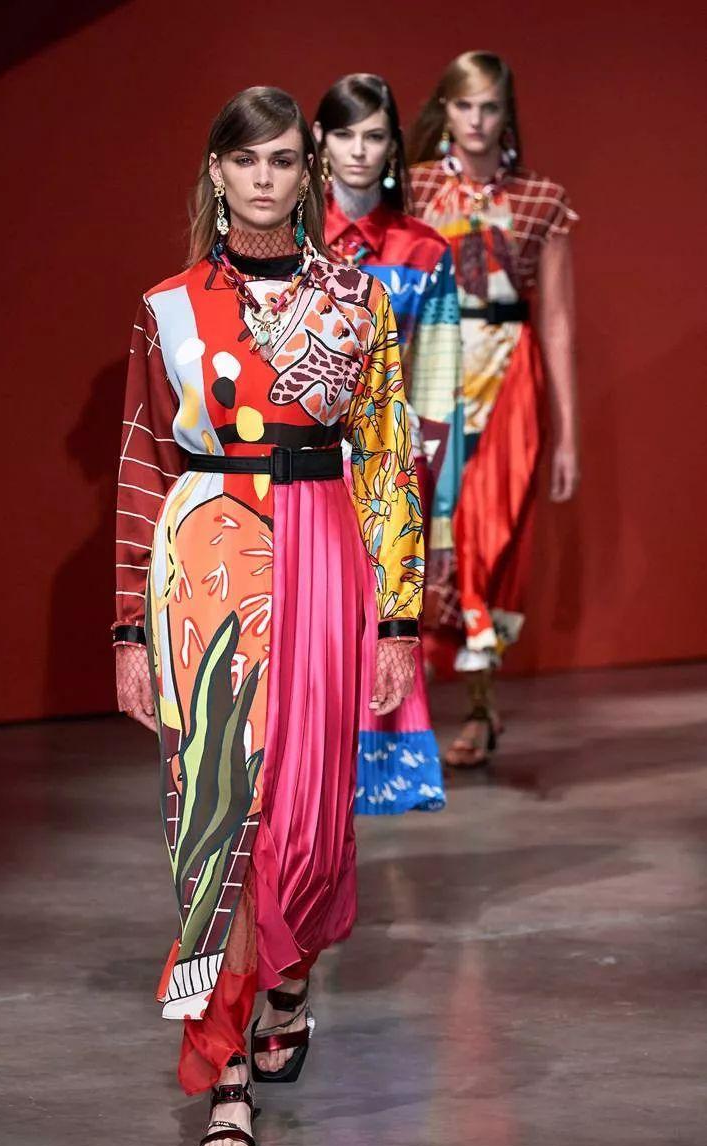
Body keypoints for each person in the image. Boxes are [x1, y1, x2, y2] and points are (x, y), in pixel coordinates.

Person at [113, 86, 423, 1146]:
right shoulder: (166, 307)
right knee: (218, 805)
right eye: (244, 159)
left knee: (308, 810)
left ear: (307, 173)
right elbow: (142, 466)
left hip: (326, 542)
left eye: (282, 159)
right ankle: (227, 1066)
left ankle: (288, 982)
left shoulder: (358, 299)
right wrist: (128, 631)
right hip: (207, 550)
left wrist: (398, 617)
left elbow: (387, 457)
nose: (262, 177)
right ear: (217, 172)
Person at [408, 51, 580, 766]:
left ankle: (480, 707)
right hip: (430, 378)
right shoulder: (413, 189)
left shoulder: (543, 199)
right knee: (426, 539)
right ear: (444, 110)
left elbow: (558, 320)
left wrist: (568, 435)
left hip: (510, 383)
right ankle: (408, 711)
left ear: (506, 114)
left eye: (489, 107)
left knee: (488, 543)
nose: (476, 120)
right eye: (464, 105)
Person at [313, 72, 462, 814]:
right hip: (298, 460)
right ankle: (302, 768)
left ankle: (373, 775)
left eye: (374, 136)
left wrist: (433, 498)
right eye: (344, 134)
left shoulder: (424, 250)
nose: (359, 151)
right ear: (319, 140)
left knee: (381, 620)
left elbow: (436, 385)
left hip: (388, 466)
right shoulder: (291, 244)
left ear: (394, 145)